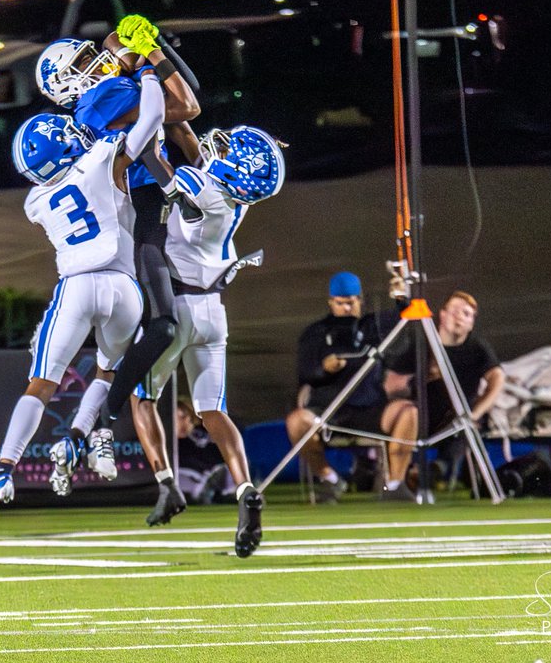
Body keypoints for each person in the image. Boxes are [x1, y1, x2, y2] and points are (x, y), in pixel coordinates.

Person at [0, 60, 166, 515]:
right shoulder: (100, 158)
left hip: (76, 287)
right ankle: (79, 435)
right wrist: (150, 72)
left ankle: (4, 471)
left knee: (40, 385)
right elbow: (152, 117)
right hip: (123, 287)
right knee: (107, 371)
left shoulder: (35, 201)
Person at [35, 17, 202, 444]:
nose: (96, 61)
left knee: (158, 329)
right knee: (163, 326)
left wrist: (151, 47)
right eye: (84, 61)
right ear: (66, 83)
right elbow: (186, 105)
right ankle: (101, 420)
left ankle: (90, 424)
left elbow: (186, 99)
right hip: (143, 203)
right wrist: (150, 53)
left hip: (140, 204)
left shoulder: (98, 98)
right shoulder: (101, 97)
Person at [126, 124, 285, 557]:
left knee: (141, 398)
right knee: (213, 410)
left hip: (174, 306)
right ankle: (245, 487)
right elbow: (196, 152)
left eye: (231, 150)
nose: (221, 147)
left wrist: (147, 118)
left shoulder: (201, 188)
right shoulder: (235, 202)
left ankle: (165, 482)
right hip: (214, 312)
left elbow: (152, 158)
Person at [284, 271, 414, 502]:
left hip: (370, 408)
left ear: (360, 301)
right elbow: (304, 374)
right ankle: (330, 479)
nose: (346, 308)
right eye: (340, 303)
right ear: (330, 302)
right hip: (329, 412)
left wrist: (401, 296)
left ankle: (395, 484)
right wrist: (324, 368)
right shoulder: (315, 333)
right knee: (296, 422)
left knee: (408, 412)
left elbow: (404, 318)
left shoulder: (371, 326)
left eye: (351, 302)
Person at [383, 290, 505, 495]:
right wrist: (422, 377)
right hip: (420, 416)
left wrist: (476, 412)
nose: (459, 316)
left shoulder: (476, 347)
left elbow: (497, 378)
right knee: (405, 417)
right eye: (455, 310)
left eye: (466, 314)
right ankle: (399, 483)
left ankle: (435, 469)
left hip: (456, 418)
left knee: (464, 427)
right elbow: (391, 384)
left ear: (472, 323)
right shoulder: (421, 345)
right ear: (442, 314)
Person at [175, 400, 231, 506]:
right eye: (180, 417)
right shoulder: (163, 442)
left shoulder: (202, 439)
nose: (185, 422)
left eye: (190, 419)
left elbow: (218, 460)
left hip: (204, 476)